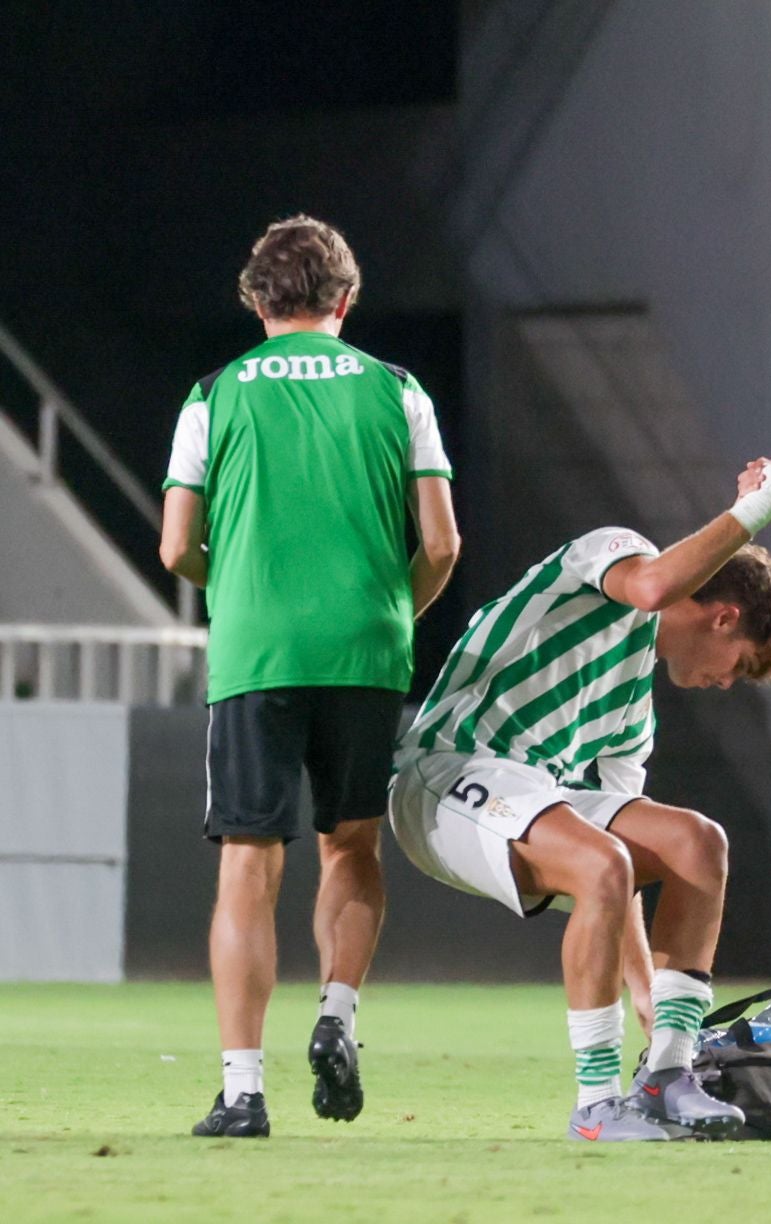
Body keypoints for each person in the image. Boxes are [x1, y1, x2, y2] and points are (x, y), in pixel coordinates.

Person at [387, 458, 771, 1142]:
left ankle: (667, 1075)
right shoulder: (618, 553)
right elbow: (651, 588)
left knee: (698, 844)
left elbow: (621, 882)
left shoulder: (631, 714)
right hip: (444, 773)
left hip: (531, 797)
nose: (727, 684)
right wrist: (758, 509)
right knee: (602, 860)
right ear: (724, 618)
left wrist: (649, 994)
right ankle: (595, 1104)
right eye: (742, 665)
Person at [160, 215, 461, 1139]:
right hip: (366, 654)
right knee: (352, 849)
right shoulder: (397, 389)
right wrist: (386, 617)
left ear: (256, 301)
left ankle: (244, 1092)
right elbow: (443, 542)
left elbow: (176, 545)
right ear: (347, 300)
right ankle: (337, 1014)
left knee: (249, 866)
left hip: (257, 652)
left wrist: (244, 588)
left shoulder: (213, 394)